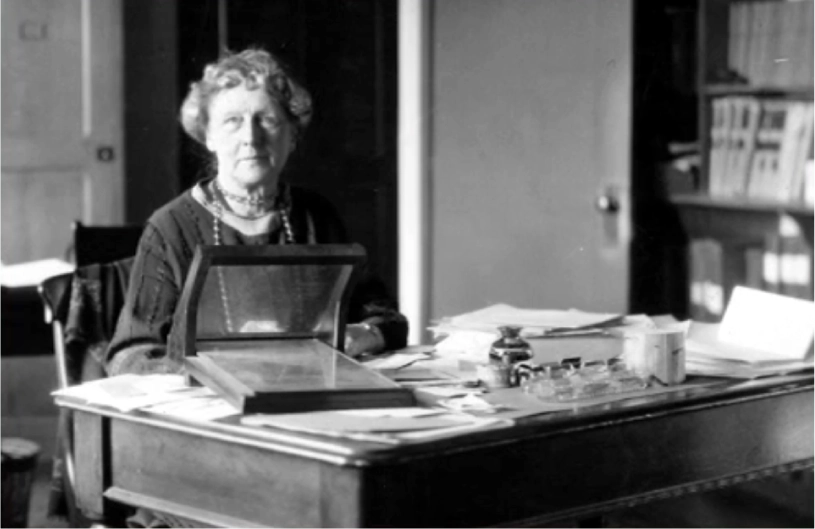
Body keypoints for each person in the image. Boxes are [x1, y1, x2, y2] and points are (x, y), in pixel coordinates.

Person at [106, 48, 407, 376]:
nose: (251, 137)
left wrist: (365, 334)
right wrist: (219, 372)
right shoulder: (171, 227)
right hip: (210, 409)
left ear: (291, 135)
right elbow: (131, 355)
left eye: (267, 119)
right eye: (233, 121)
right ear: (208, 136)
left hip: (303, 398)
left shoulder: (316, 216)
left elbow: (387, 319)